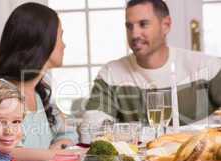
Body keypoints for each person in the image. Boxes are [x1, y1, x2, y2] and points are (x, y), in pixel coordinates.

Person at [83, 0, 221, 127]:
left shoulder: (208, 67)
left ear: (166, 25)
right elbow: (91, 128)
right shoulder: (111, 74)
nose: (134, 34)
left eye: (143, 24)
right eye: (129, 26)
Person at [0, 2, 79, 161]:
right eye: (60, 36)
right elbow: (7, 154)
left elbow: (67, 132)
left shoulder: (40, 91)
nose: (64, 45)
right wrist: (55, 155)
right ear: (42, 41)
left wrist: (58, 147)